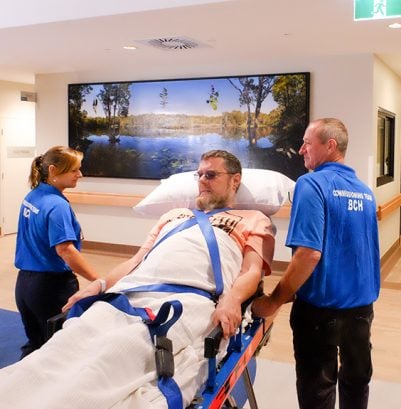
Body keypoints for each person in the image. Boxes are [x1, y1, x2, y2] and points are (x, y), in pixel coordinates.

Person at [0, 149, 275, 409]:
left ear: (235, 180)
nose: (202, 180)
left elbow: (251, 271)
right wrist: (101, 285)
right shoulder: (174, 216)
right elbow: (136, 261)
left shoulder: (252, 219)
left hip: (188, 300)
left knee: (113, 356)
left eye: (211, 175)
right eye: (199, 174)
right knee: (66, 346)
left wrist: (232, 300)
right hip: (131, 293)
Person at [252, 118, 380, 409]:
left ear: (330, 145)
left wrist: (273, 300)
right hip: (361, 311)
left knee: (317, 390)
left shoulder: (310, 185)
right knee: (356, 380)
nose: (300, 150)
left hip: (321, 315)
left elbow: (308, 254)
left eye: (308, 143)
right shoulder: (364, 192)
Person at [14, 145, 100, 358]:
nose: (80, 174)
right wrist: (98, 280)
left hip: (25, 286)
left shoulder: (33, 196)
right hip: (51, 288)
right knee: (61, 352)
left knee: (36, 346)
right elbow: (66, 251)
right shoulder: (56, 206)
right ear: (53, 170)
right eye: (74, 170)